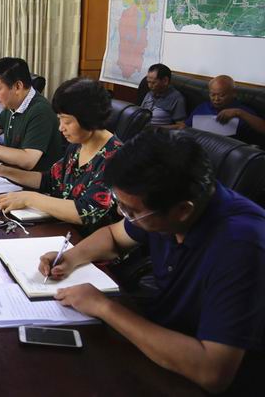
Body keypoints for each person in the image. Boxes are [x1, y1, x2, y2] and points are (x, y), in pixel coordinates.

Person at [42, 130, 265, 393]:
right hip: (162, 337)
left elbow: (211, 371)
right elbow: (114, 237)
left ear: (182, 211)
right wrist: (70, 257)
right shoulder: (167, 204)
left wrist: (104, 307)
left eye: (131, 211)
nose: (123, 214)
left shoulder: (241, 245)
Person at [0, 78, 122, 234]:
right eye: (60, 120)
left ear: (89, 119)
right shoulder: (79, 144)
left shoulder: (116, 157)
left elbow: (86, 212)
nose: (61, 128)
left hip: (87, 240)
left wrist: (30, 198)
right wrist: (2, 170)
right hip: (60, 228)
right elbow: (49, 180)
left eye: (67, 122)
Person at [186, 74, 265, 144]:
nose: (216, 99)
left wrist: (239, 113)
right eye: (212, 95)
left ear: (233, 93)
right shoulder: (202, 107)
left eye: (221, 95)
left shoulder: (242, 110)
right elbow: (187, 125)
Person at [141, 63, 186, 128]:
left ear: (165, 81)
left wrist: (158, 129)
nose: (149, 86)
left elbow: (181, 126)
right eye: (148, 82)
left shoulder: (176, 98)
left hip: (157, 132)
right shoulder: (150, 93)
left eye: (153, 83)